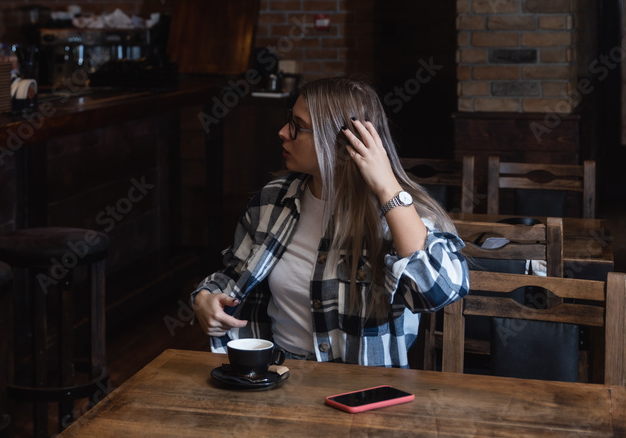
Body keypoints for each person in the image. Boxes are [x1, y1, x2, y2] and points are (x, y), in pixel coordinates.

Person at [192, 76, 469, 367]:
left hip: (361, 391)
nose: (283, 132)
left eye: (298, 126)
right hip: (275, 375)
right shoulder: (272, 200)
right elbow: (234, 273)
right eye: (289, 120)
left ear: (341, 143)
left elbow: (439, 292)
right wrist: (206, 296)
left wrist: (388, 187)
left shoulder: (394, 212)